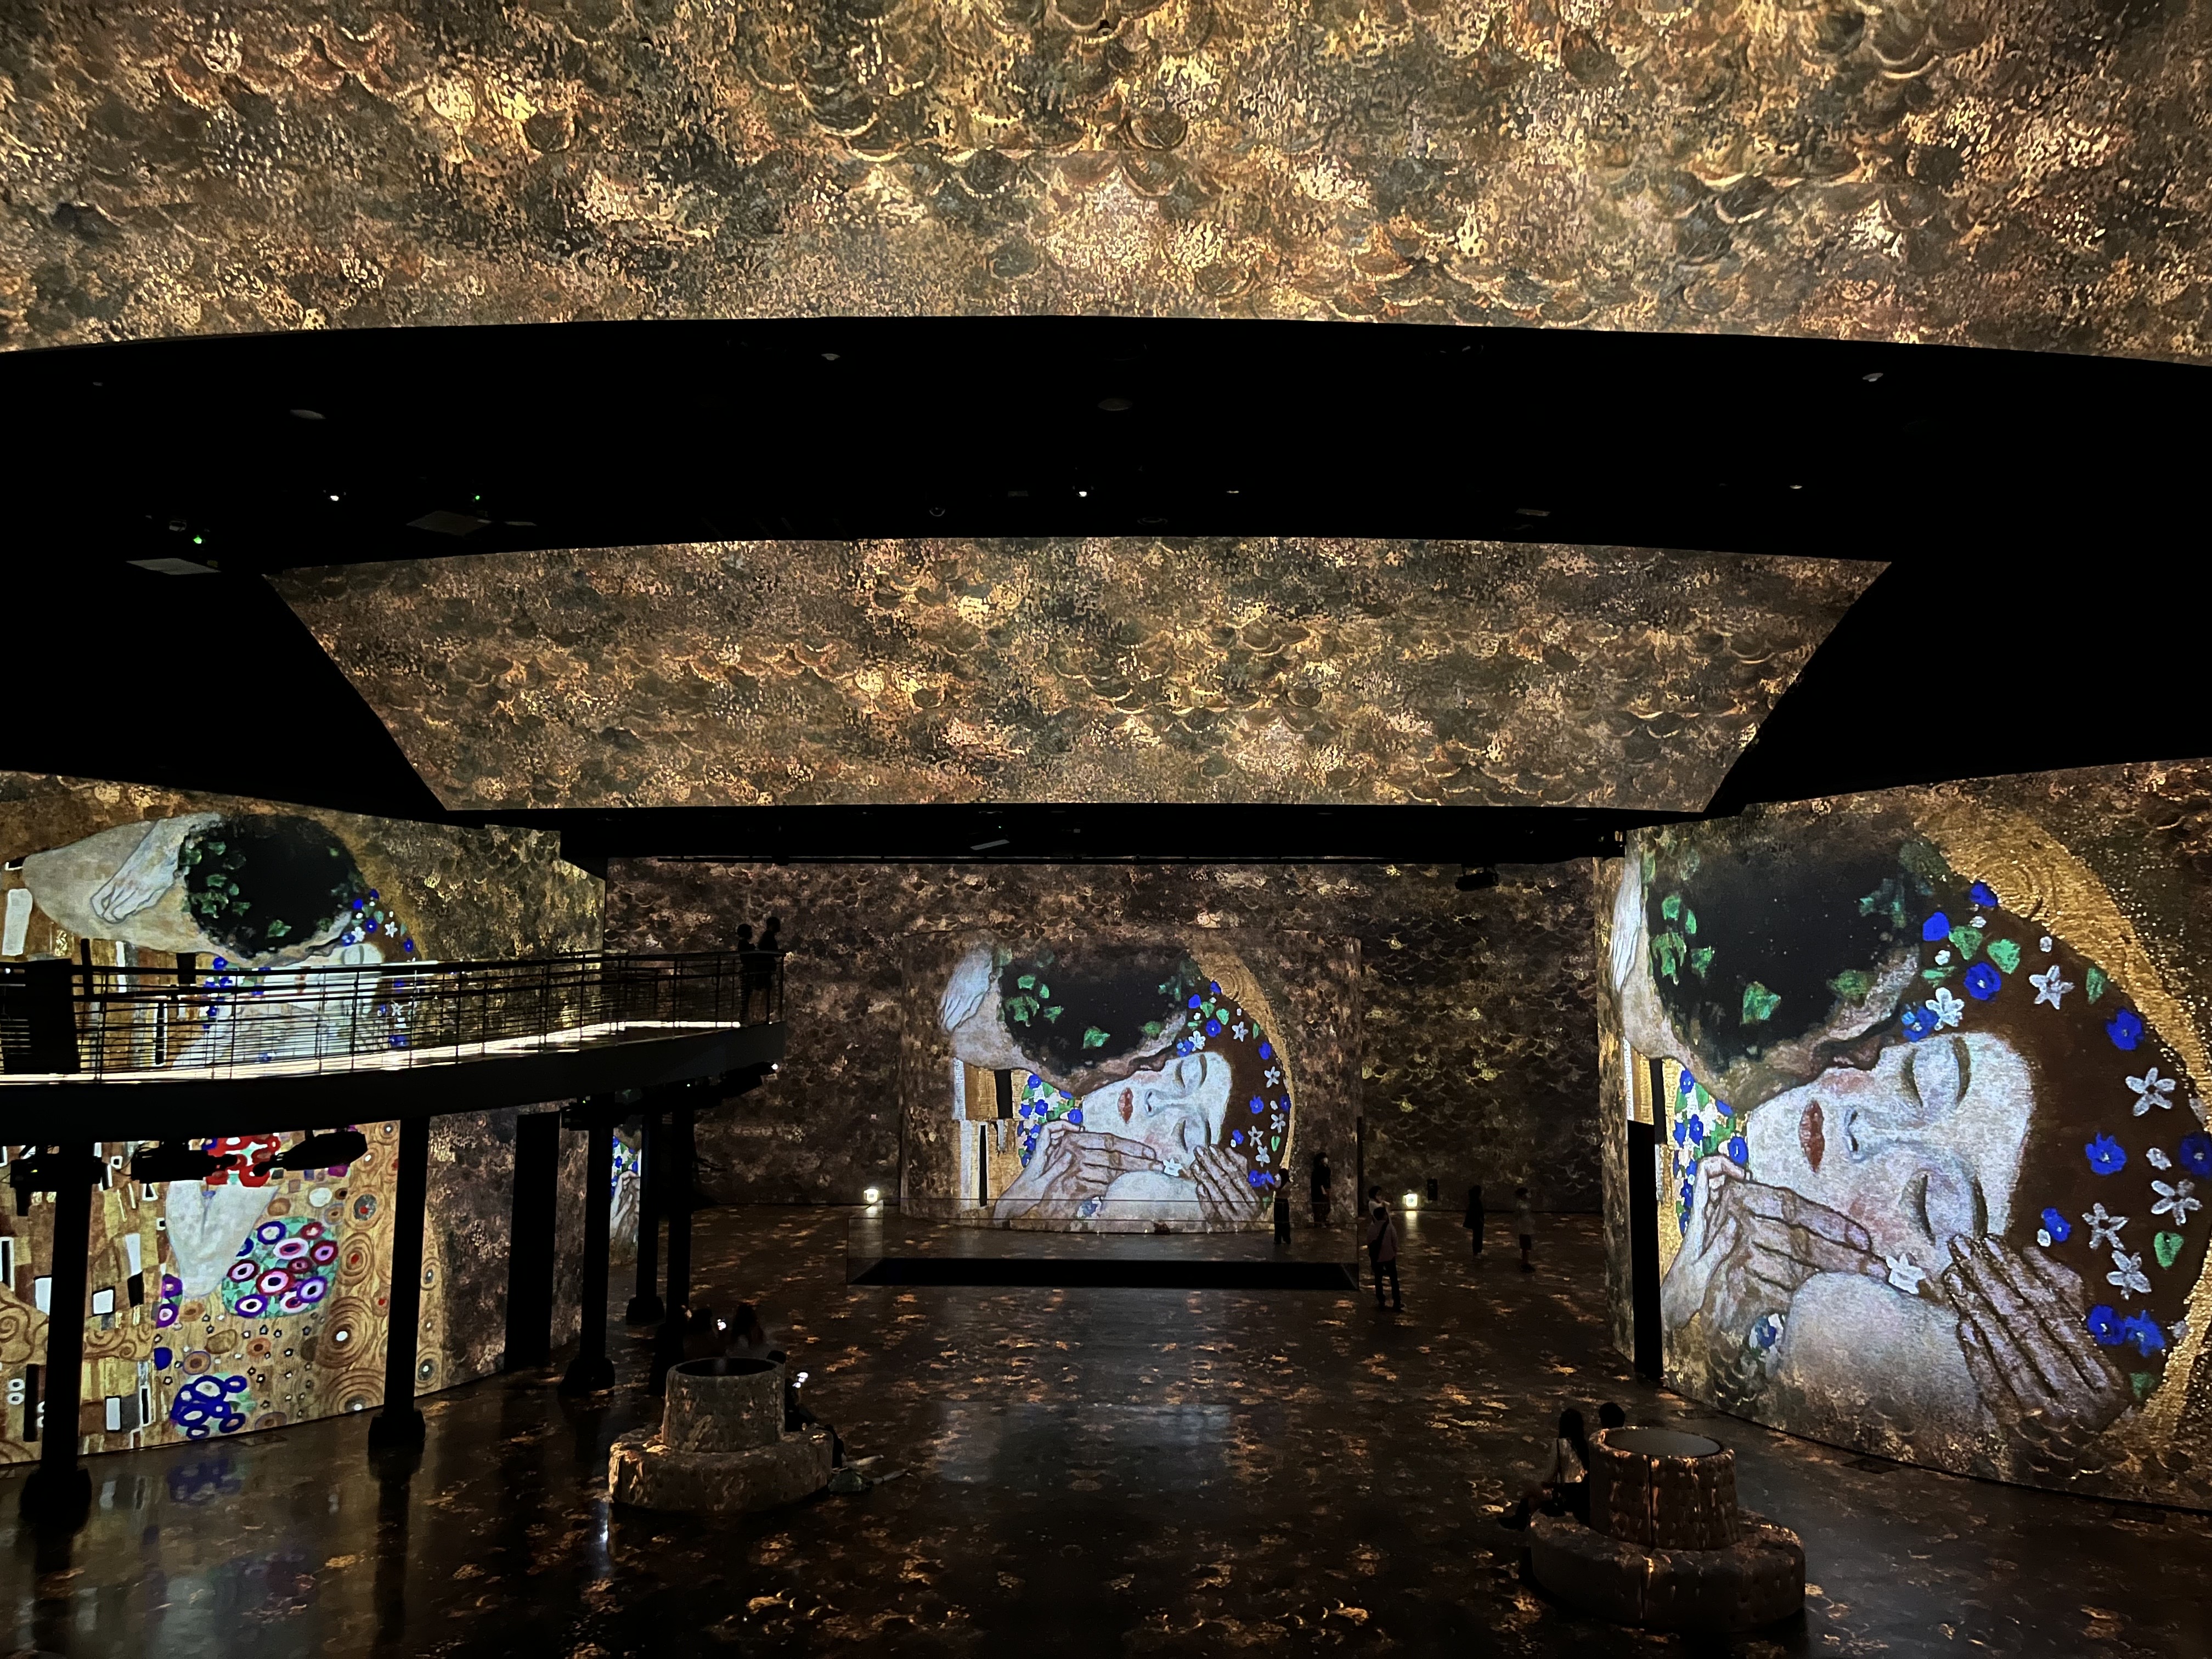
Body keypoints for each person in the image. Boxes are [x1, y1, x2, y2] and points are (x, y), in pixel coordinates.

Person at [1615, 814, 2209, 1483]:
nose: (1868, 1132)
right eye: (1924, 1079)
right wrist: (1682, 1299)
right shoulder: (1670, 989)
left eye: (1926, 1204)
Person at [1500, 1409, 1590, 1529]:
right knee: (1533, 1501)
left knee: (1530, 1489)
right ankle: (1522, 1522)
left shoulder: (1560, 1445)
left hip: (1566, 1499)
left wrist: (1545, 1486)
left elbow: (1548, 1477)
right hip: (1580, 1498)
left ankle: (1519, 1521)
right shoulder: (1585, 1446)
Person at [1366, 1186, 1402, 1311]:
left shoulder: (1372, 1228)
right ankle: (1397, 1301)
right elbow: (1395, 1242)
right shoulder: (1389, 1228)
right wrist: (1394, 1252)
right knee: (1393, 1279)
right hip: (1389, 1256)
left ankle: (1381, 1299)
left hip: (1377, 1257)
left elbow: (1369, 1242)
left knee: (1378, 1278)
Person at [1514, 1185, 1536, 1273]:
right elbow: (1517, 1215)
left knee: (1527, 1245)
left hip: (1527, 1227)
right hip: (1524, 1227)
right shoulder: (1521, 1204)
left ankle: (1526, 1262)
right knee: (1525, 1245)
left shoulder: (1527, 1204)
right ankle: (1524, 1263)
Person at [1311, 1150, 1333, 1227]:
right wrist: (1323, 1191)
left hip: (1325, 1191)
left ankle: (1324, 1221)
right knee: (1320, 1208)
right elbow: (1320, 1182)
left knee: (1326, 1207)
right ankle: (1320, 1223)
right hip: (1319, 1193)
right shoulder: (1318, 1171)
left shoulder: (1326, 1169)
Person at [1464, 1183, 1485, 1257]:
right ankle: (1477, 1252)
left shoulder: (1473, 1201)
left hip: (1476, 1222)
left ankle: (1476, 1252)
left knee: (1476, 1237)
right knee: (1478, 1237)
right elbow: (1478, 1212)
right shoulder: (1477, 1202)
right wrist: (1481, 1220)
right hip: (1478, 1222)